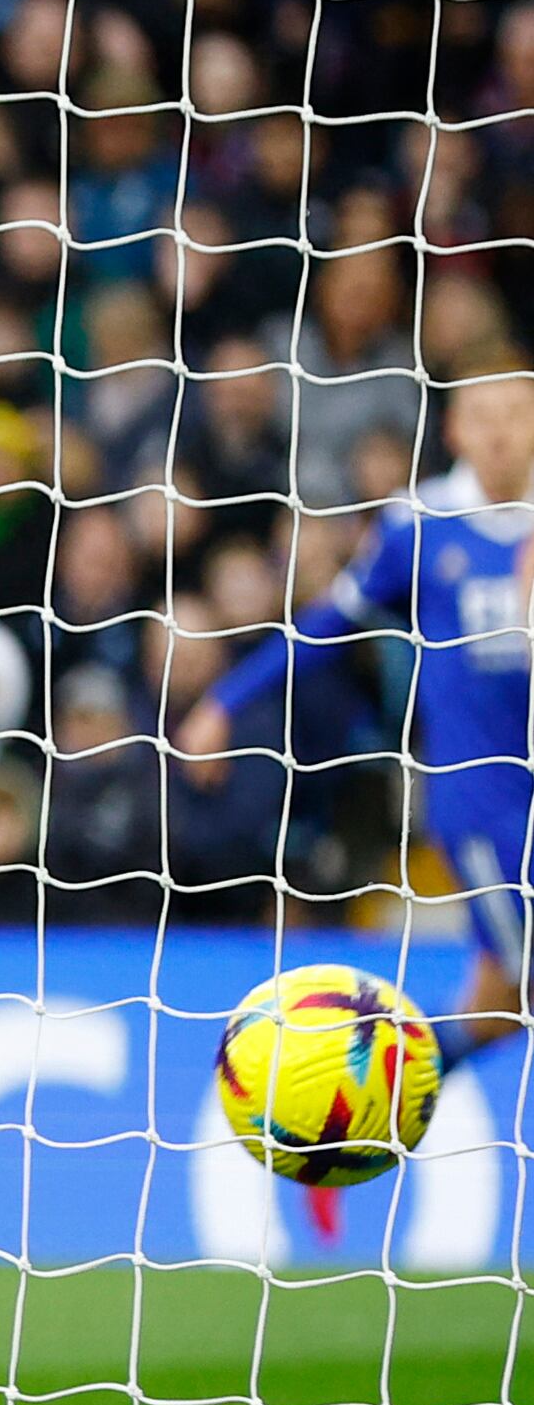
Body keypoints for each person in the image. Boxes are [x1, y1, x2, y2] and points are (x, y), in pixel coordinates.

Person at [188, 366, 534, 1079]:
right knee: (517, 985)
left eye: (517, 414)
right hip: (482, 803)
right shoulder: (421, 523)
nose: (501, 432)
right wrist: (226, 701)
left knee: (500, 1002)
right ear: (454, 430)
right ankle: (352, 1091)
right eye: (484, 415)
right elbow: (330, 623)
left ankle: (365, 1093)